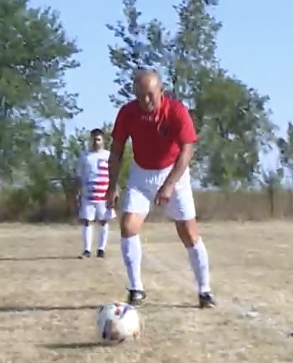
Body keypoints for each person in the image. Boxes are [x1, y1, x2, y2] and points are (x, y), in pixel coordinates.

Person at [105, 69, 214, 308]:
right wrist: (111, 186)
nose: (145, 101)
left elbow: (187, 150)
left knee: (188, 233)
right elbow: (116, 151)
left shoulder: (176, 111)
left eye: (150, 95)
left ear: (161, 92)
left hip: (174, 173)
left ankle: (205, 290)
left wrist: (169, 185)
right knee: (128, 226)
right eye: (140, 95)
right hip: (141, 175)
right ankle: (136, 289)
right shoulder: (127, 113)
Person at [76, 128, 113, 258]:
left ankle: (101, 249)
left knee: (103, 221)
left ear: (103, 140)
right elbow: (79, 175)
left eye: (98, 139)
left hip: (104, 195)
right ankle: (87, 250)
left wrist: (115, 190)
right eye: (93, 139)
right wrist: (77, 191)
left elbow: (114, 175)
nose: (96, 142)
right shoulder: (84, 156)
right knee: (87, 221)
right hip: (88, 195)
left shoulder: (108, 155)